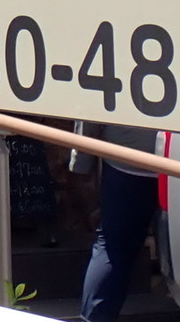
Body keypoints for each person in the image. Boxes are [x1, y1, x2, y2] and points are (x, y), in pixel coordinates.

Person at [75, 123, 163, 320]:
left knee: (113, 249)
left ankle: (96, 317)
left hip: (128, 156)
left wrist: (82, 163)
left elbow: (91, 105)